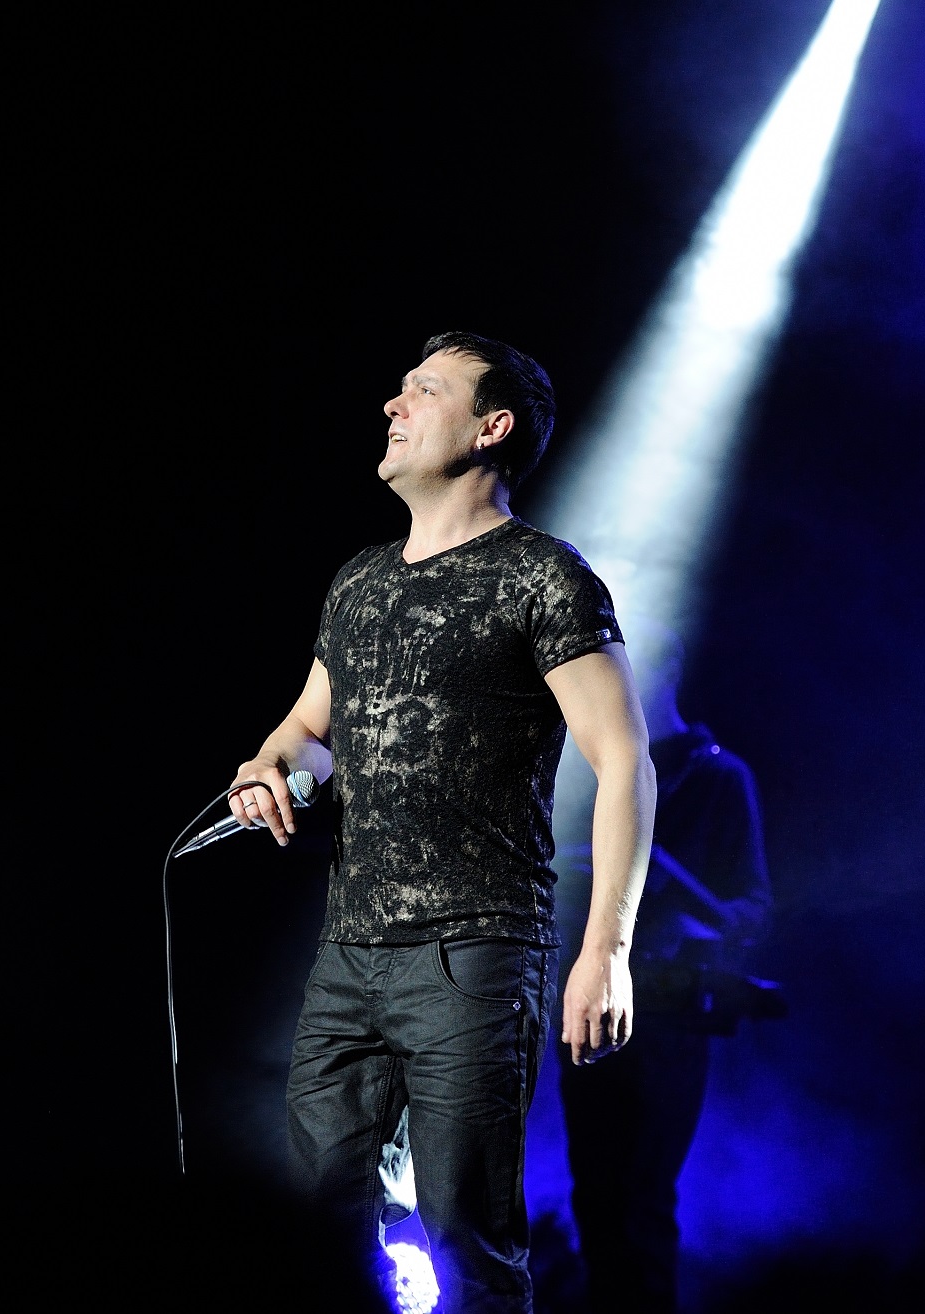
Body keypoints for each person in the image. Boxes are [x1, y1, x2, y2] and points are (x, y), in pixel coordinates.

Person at [222, 331, 657, 1314]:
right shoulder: (360, 580)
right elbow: (311, 730)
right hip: (348, 955)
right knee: (319, 1224)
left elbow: (624, 761)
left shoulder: (541, 577)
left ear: (490, 427)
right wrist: (270, 767)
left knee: (468, 1236)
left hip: (476, 953)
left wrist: (608, 950)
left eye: (423, 390)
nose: (393, 405)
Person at [554, 618, 774, 1314]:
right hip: (590, 1010)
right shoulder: (597, 773)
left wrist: (694, 928)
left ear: (669, 664)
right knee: (594, 1194)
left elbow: (751, 908)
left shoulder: (719, 779)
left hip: (671, 1021)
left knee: (643, 1199)